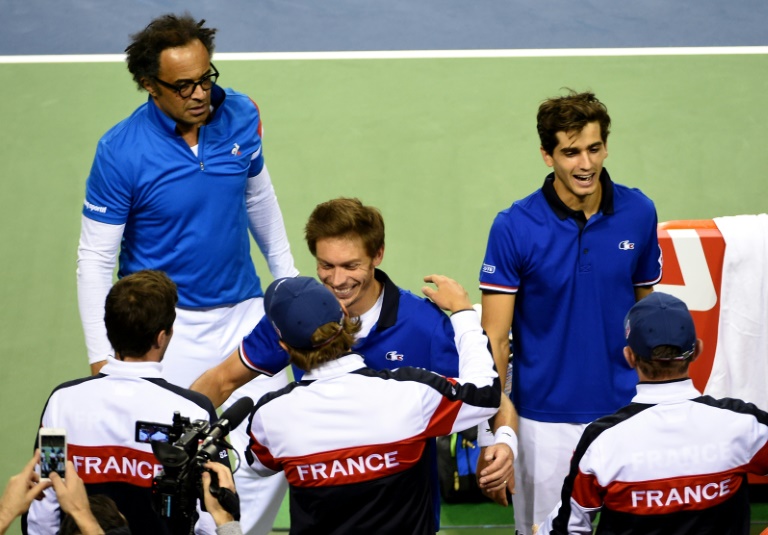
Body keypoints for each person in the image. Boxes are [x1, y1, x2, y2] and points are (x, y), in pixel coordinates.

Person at [75, 14, 298, 534]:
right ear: (149, 85)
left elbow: (259, 200)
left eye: (205, 78)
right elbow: (95, 259)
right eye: (183, 86)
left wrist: (284, 284)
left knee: (270, 447)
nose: (200, 94)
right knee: (173, 464)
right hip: (168, 330)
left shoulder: (241, 113)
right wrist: (101, 356)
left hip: (245, 311)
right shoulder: (120, 152)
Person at [191, 197, 515, 526]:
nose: (337, 280)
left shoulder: (425, 327)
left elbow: (489, 395)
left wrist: (499, 442)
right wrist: (175, 439)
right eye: (326, 265)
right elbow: (221, 381)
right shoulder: (293, 320)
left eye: (350, 266)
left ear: (378, 255)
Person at [478, 90, 662, 534]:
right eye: (571, 152)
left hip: (625, 412)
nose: (586, 164)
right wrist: (492, 434)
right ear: (547, 155)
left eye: (594, 148)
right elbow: (495, 340)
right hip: (542, 423)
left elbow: (648, 317)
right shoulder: (514, 226)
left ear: (606, 147)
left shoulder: (639, 212)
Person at [246, 275, 502, 534]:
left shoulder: (270, 416)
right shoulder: (412, 392)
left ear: (284, 346)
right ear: (344, 314)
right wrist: (462, 311)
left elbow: (259, 466)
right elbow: (485, 395)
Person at [536, 292, 768, 534]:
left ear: (629, 357)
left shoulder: (601, 441)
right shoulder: (744, 423)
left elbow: (566, 529)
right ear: (697, 350)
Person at [26, 271, 222, 534]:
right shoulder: (195, 411)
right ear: (161, 337)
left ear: (109, 330)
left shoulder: (62, 402)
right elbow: (213, 513)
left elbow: (44, 502)